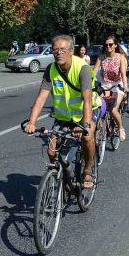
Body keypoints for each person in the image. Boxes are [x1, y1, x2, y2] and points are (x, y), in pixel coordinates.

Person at [23, 35, 100, 189]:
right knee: (52, 151)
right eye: (55, 49)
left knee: (88, 136)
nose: (58, 52)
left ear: (71, 51)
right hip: (63, 117)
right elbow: (41, 98)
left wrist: (85, 124)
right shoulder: (51, 70)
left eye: (63, 50)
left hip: (86, 112)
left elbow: (87, 100)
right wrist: (31, 122)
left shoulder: (82, 68)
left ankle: (88, 170)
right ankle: (63, 176)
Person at [93, 36, 129, 141]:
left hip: (117, 85)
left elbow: (123, 73)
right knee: (98, 108)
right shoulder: (101, 57)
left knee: (113, 110)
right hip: (104, 85)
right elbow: (94, 71)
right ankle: (100, 128)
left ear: (115, 45)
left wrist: (125, 85)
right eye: (106, 45)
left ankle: (121, 128)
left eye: (110, 44)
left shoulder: (120, 57)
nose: (108, 46)